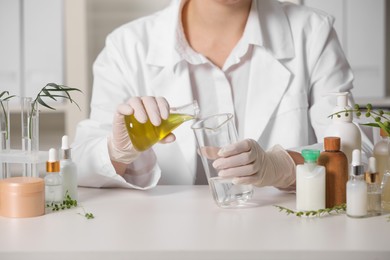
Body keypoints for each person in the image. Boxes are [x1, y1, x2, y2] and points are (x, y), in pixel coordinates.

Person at [72, 0, 371, 190]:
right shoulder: (127, 47)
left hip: (284, 236)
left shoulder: (312, 33)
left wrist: (283, 166)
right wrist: (117, 152)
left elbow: (359, 152)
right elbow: (79, 165)